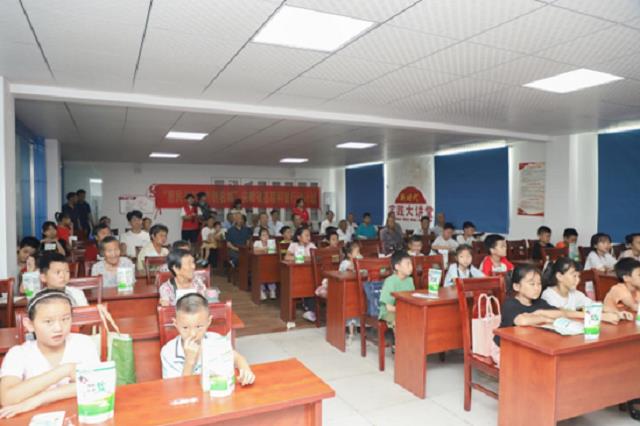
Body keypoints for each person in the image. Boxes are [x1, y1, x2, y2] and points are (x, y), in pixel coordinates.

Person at [491, 264, 620, 366]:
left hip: (527, 347)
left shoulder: (540, 302)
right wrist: (544, 317)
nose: (537, 288)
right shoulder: (510, 303)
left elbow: (562, 312)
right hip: (503, 349)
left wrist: (540, 313)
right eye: (532, 284)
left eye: (539, 284)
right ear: (516, 286)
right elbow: (522, 321)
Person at [0, 290, 99, 419]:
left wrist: (39, 399)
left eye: (65, 319)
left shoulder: (83, 343)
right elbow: (7, 398)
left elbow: (95, 383)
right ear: (29, 325)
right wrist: (65, 370)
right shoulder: (18, 354)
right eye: (48, 321)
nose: (58, 328)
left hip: (78, 416)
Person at [160, 293, 254, 385]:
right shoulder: (168, 352)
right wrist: (189, 361)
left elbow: (237, 357)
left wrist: (245, 370)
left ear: (208, 322)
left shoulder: (217, 341)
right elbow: (176, 392)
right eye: (185, 328)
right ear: (176, 324)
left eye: (199, 326)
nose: (193, 334)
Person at [542, 258, 631, 319]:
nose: (578, 280)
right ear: (559, 276)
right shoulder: (548, 295)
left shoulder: (575, 294)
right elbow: (562, 312)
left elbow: (595, 306)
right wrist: (601, 317)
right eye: (574, 276)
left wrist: (617, 313)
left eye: (578, 276)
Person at [285, 227, 317, 322]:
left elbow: (317, 257)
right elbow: (287, 257)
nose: (309, 237)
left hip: (309, 273)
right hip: (297, 274)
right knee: (303, 285)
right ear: (299, 237)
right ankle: (308, 308)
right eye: (306, 235)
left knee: (310, 285)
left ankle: (310, 310)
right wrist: (302, 257)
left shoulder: (311, 245)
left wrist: (302, 257)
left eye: (309, 235)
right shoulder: (293, 245)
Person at [379, 250, 415, 328]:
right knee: (400, 321)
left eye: (411, 264)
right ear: (397, 267)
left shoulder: (410, 280)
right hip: (388, 312)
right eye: (407, 264)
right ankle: (399, 335)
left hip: (404, 310)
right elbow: (389, 307)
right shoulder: (390, 281)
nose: (411, 267)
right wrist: (405, 310)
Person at [339, 242, 361, 342]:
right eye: (357, 252)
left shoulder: (358, 261)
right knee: (351, 306)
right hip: (345, 290)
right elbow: (352, 268)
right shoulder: (345, 263)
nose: (359, 254)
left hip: (355, 288)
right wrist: (355, 261)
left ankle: (360, 326)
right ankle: (351, 332)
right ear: (349, 254)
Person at [253, 228, 277, 300]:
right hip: (259, 264)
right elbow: (255, 250)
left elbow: (275, 251)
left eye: (267, 235)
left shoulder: (271, 242)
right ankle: (261, 291)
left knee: (272, 272)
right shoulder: (257, 242)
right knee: (261, 273)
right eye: (263, 235)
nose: (265, 237)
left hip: (270, 264)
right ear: (260, 237)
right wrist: (264, 249)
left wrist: (267, 249)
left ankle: (272, 290)